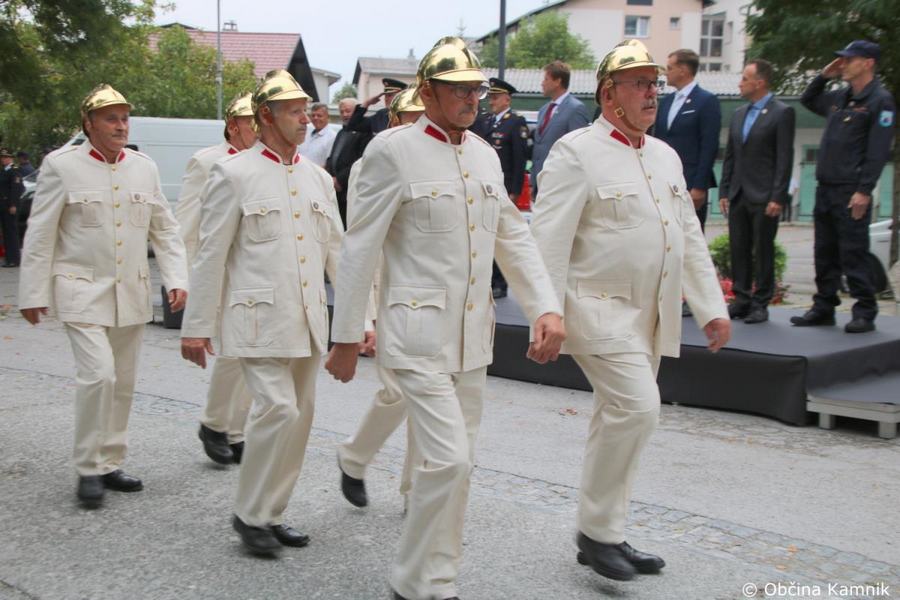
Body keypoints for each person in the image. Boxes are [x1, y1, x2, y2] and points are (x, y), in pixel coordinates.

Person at [325, 37, 565, 600]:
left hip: (472, 339)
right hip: (415, 337)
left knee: (460, 464)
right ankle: (413, 580)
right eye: (458, 90)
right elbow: (360, 247)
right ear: (428, 93)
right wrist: (347, 334)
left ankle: (439, 579)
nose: (471, 99)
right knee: (449, 459)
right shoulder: (391, 151)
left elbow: (512, 236)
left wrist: (546, 306)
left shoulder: (483, 154)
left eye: (476, 90)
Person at [530, 39, 730, 583]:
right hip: (595, 308)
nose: (651, 93)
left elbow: (687, 236)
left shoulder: (665, 155)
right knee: (638, 409)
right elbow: (547, 239)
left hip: (649, 315)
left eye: (654, 83)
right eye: (639, 83)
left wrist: (710, 307)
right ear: (608, 94)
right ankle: (597, 535)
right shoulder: (575, 151)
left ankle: (606, 530)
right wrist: (546, 310)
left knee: (618, 417)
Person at [180, 69, 344, 556]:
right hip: (256, 320)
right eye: (294, 111)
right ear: (266, 117)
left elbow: (339, 253)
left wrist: (361, 321)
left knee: (299, 419)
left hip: (308, 321)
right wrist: (196, 327)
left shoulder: (318, 179)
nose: (305, 119)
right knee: (278, 408)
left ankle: (272, 513)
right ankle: (249, 515)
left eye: (306, 110)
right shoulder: (233, 173)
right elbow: (211, 254)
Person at [18, 84, 188, 509]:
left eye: (124, 118)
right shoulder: (61, 166)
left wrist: (176, 278)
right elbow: (41, 232)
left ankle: (110, 460)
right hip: (80, 288)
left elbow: (164, 229)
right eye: (111, 119)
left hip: (130, 291)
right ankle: (88, 467)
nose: (120, 126)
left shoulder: (143, 168)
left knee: (123, 381)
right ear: (88, 124)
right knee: (99, 375)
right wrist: (32, 292)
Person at [337, 86, 426, 511]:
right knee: (399, 393)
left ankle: (417, 490)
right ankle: (354, 457)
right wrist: (364, 318)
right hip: (387, 291)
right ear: (394, 122)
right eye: (411, 118)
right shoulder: (371, 165)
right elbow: (360, 245)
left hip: (431, 297)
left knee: (429, 397)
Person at [175, 92, 257, 465]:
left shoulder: (265, 163)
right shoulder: (208, 161)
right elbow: (187, 223)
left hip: (253, 269)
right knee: (235, 350)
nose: (257, 129)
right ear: (233, 125)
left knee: (253, 351)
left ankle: (235, 429)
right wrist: (183, 277)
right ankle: (213, 423)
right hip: (219, 269)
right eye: (250, 122)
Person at [792, 40, 895, 333]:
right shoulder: (840, 96)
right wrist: (824, 76)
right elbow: (809, 99)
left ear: (868, 63)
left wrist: (864, 190)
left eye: (849, 59)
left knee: (853, 251)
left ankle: (865, 310)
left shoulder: (880, 101)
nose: (843, 65)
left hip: (851, 190)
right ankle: (824, 306)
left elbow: (878, 150)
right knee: (824, 251)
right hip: (826, 186)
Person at [719, 59, 795, 324]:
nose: (740, 83)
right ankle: (741, 298)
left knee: (762, 249)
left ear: (759, 82)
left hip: (764, 195)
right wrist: (725, 190)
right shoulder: (739, 113)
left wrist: (778, 196)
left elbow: (784, 157)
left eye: (744, 78)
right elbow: (731, 155)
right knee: (738, 247)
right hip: (739, 192)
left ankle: (760, 302)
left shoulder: (781, 112)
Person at [653, 49, 721, 230]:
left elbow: (709, 146)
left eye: (670, 68)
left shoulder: (706, 101)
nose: (666, 72)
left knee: (690, 232)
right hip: (665, 179)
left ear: (683, 70)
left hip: (690, 181)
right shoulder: (666, 102)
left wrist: (700, 186)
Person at [480, 77, 529, 299]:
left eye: (496, 97)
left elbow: (519, 160)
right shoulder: (487, 121)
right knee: (486, 233)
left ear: (507, 99)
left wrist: (515, 191)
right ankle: (488, 278)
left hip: (505, 188)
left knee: (501, 235)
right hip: (486, 187)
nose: (491, 101)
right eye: (490, 97)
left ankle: (500, 282)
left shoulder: (515, 122)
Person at [531, 60, 591, 196]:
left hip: (562, 185)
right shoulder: (543, 110)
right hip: (539, 183)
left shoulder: (576, 108)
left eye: (546, 79)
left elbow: (580, 149)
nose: (542, 83)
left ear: (558, 81)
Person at [325, 97, 370, 226]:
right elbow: (333, 156)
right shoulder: (341, 132)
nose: (344, 115)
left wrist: (339, 180)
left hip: (350, 190)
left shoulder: (364, 132)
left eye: (348, 111)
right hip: (335, 191)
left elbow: (361, 161)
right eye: (342, 112)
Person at [0, 148, 22, 267]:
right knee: (6, 232)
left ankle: (14, 259)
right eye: (2, 157)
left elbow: (16, 188)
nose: (3, 160)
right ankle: (9, 258)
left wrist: (13, 204)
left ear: (11, 158)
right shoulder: (4, 170)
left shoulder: (14, 170)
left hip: (10, 206)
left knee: (11, 232)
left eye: (6, 157)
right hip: (3, 206)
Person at [298, 102, 337, 167]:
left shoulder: (332, 137)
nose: (315, 118)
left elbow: (328, 164)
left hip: (316, 173)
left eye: (319, 116)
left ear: (327, 117)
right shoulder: (306, 132)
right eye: (313, 115)